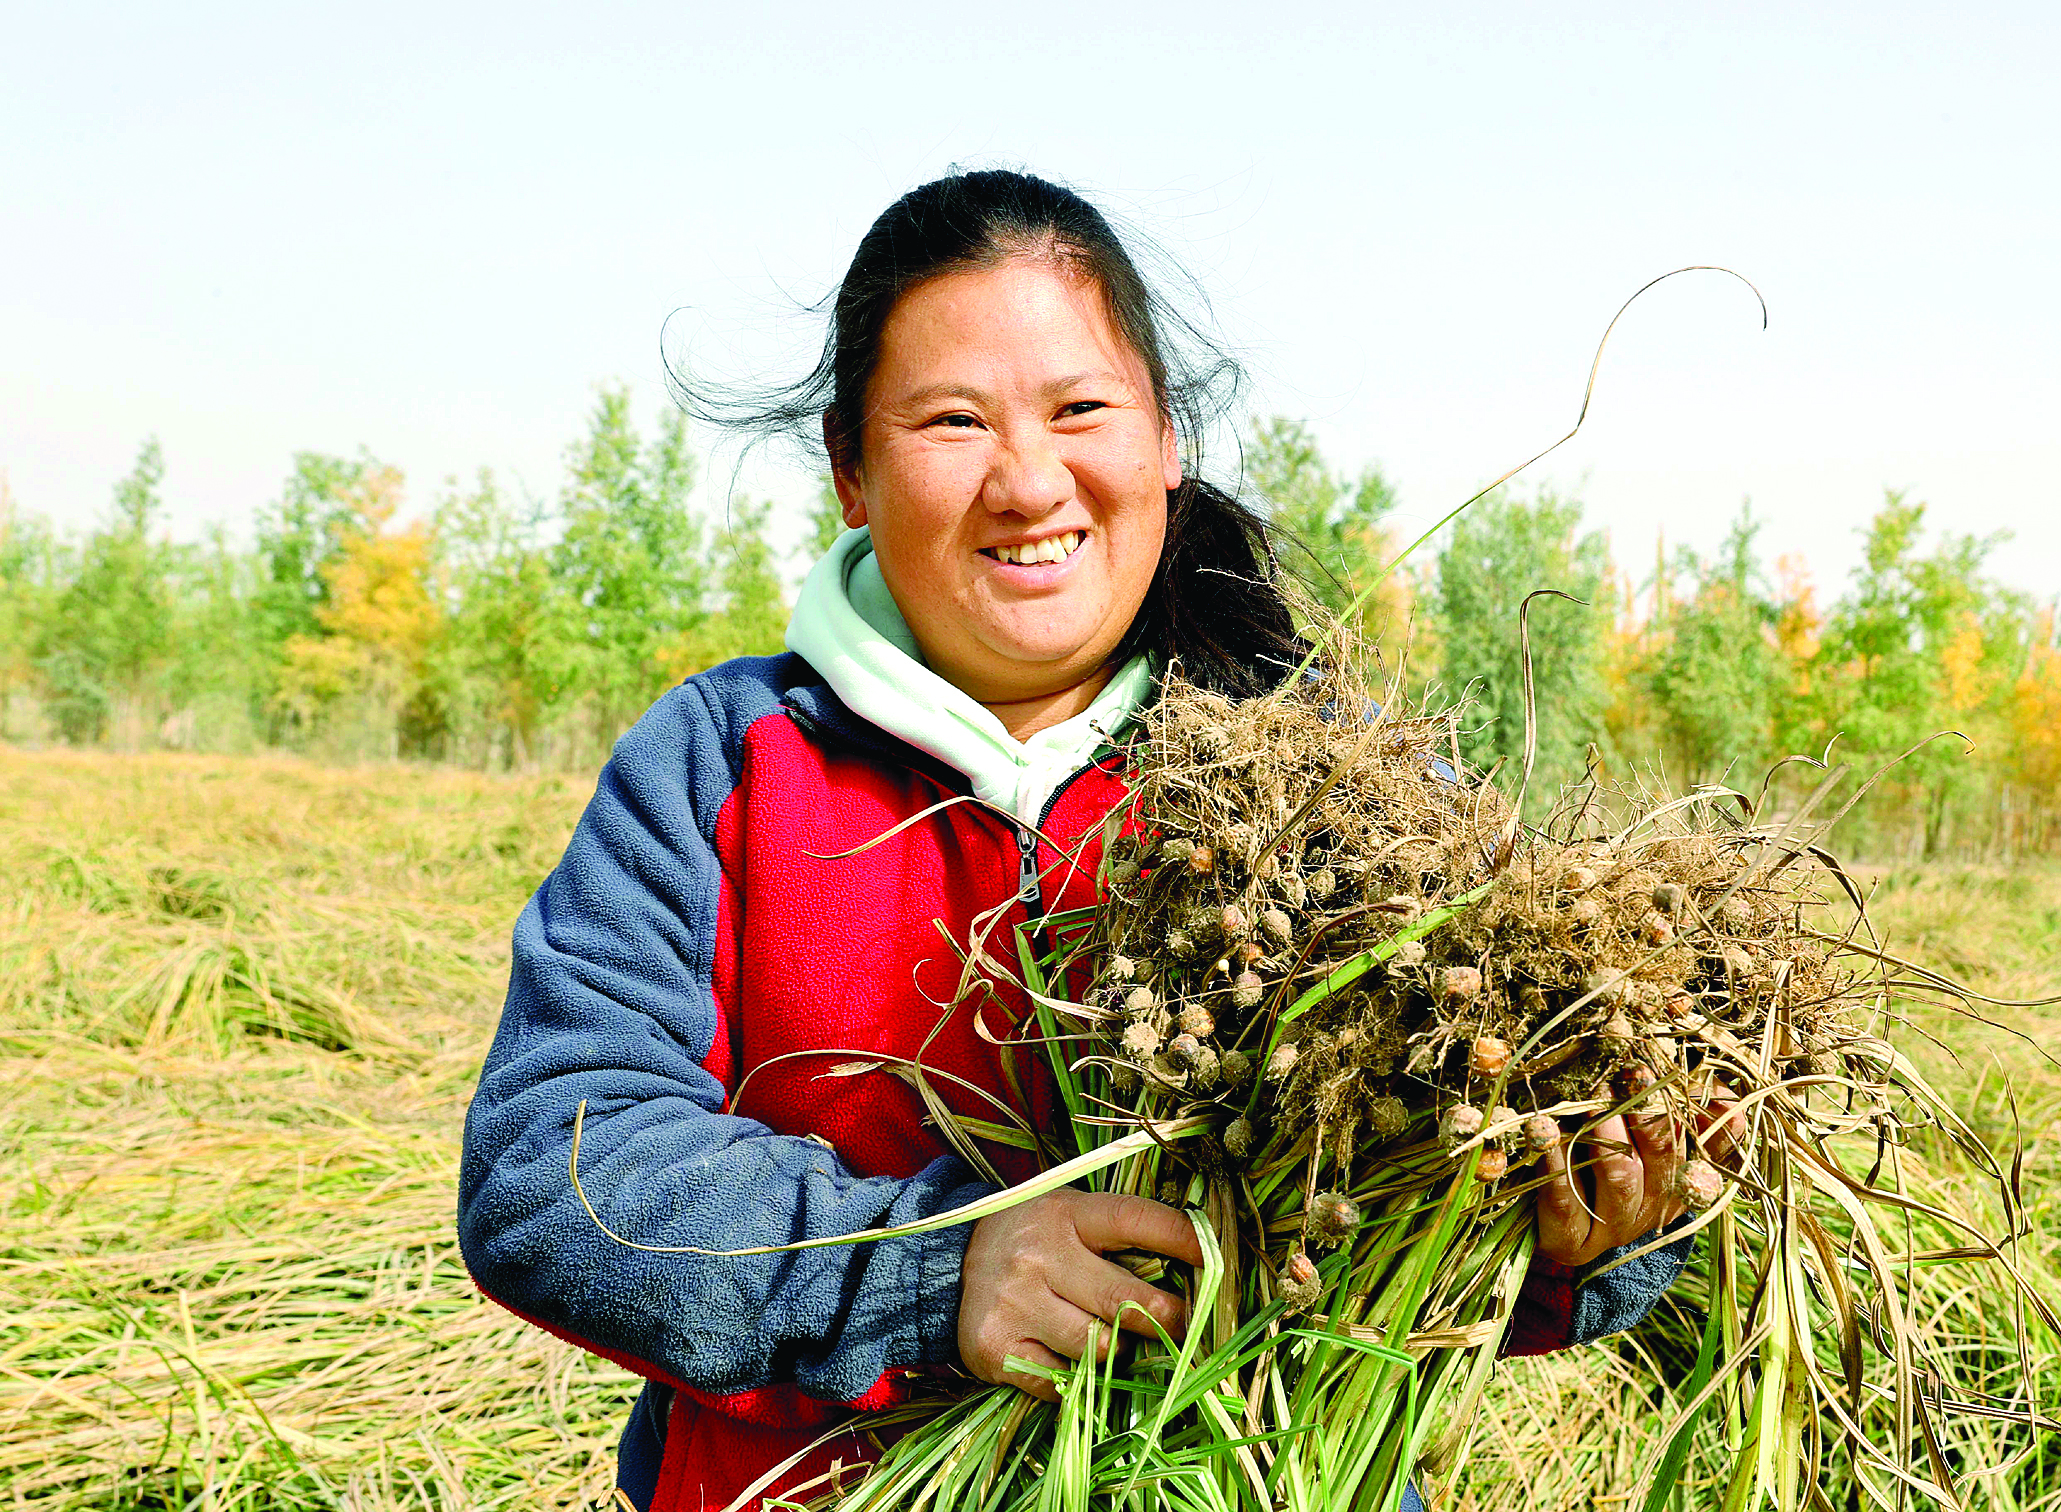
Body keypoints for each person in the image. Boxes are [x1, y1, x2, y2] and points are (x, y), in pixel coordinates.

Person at [458, 169, 1714, 1512]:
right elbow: (555, 1167)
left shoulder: (1347, 782)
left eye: (1080, 410)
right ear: (850, 471)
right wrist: (931, 1277)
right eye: (951, 421)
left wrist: (1590, 1238)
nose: (1027, 480)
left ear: (1165, 438)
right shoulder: (731, 763)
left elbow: (1454, 1221)